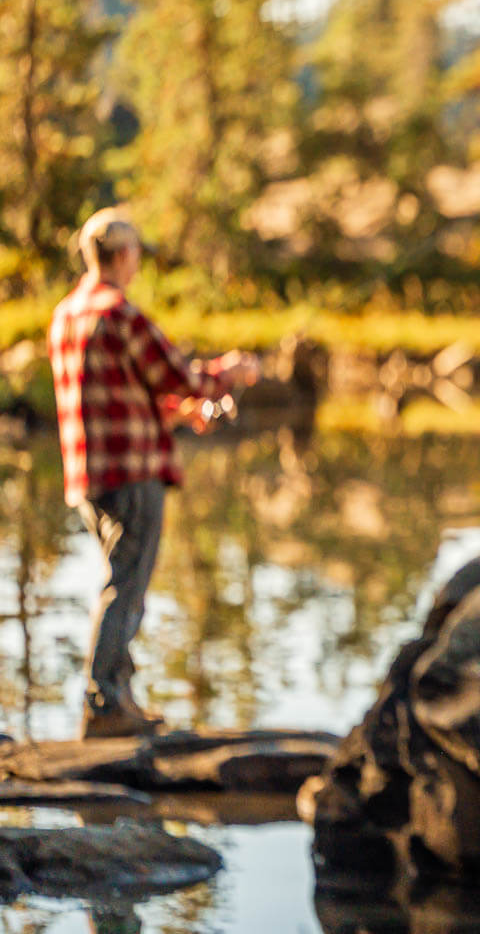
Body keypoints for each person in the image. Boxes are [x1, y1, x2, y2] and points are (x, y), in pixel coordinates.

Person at [48, 208, 259, 739]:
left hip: (88, 477)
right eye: (136, 253)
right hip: (133, 476)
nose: (137, 262)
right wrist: (230, 372)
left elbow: (125, 398)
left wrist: (182, 413)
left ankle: (116, 698)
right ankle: (104, 705)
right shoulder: (119, 313)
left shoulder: (65, 314)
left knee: (120, 582)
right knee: (127, 588)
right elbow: (180, 375)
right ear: (123, 256)